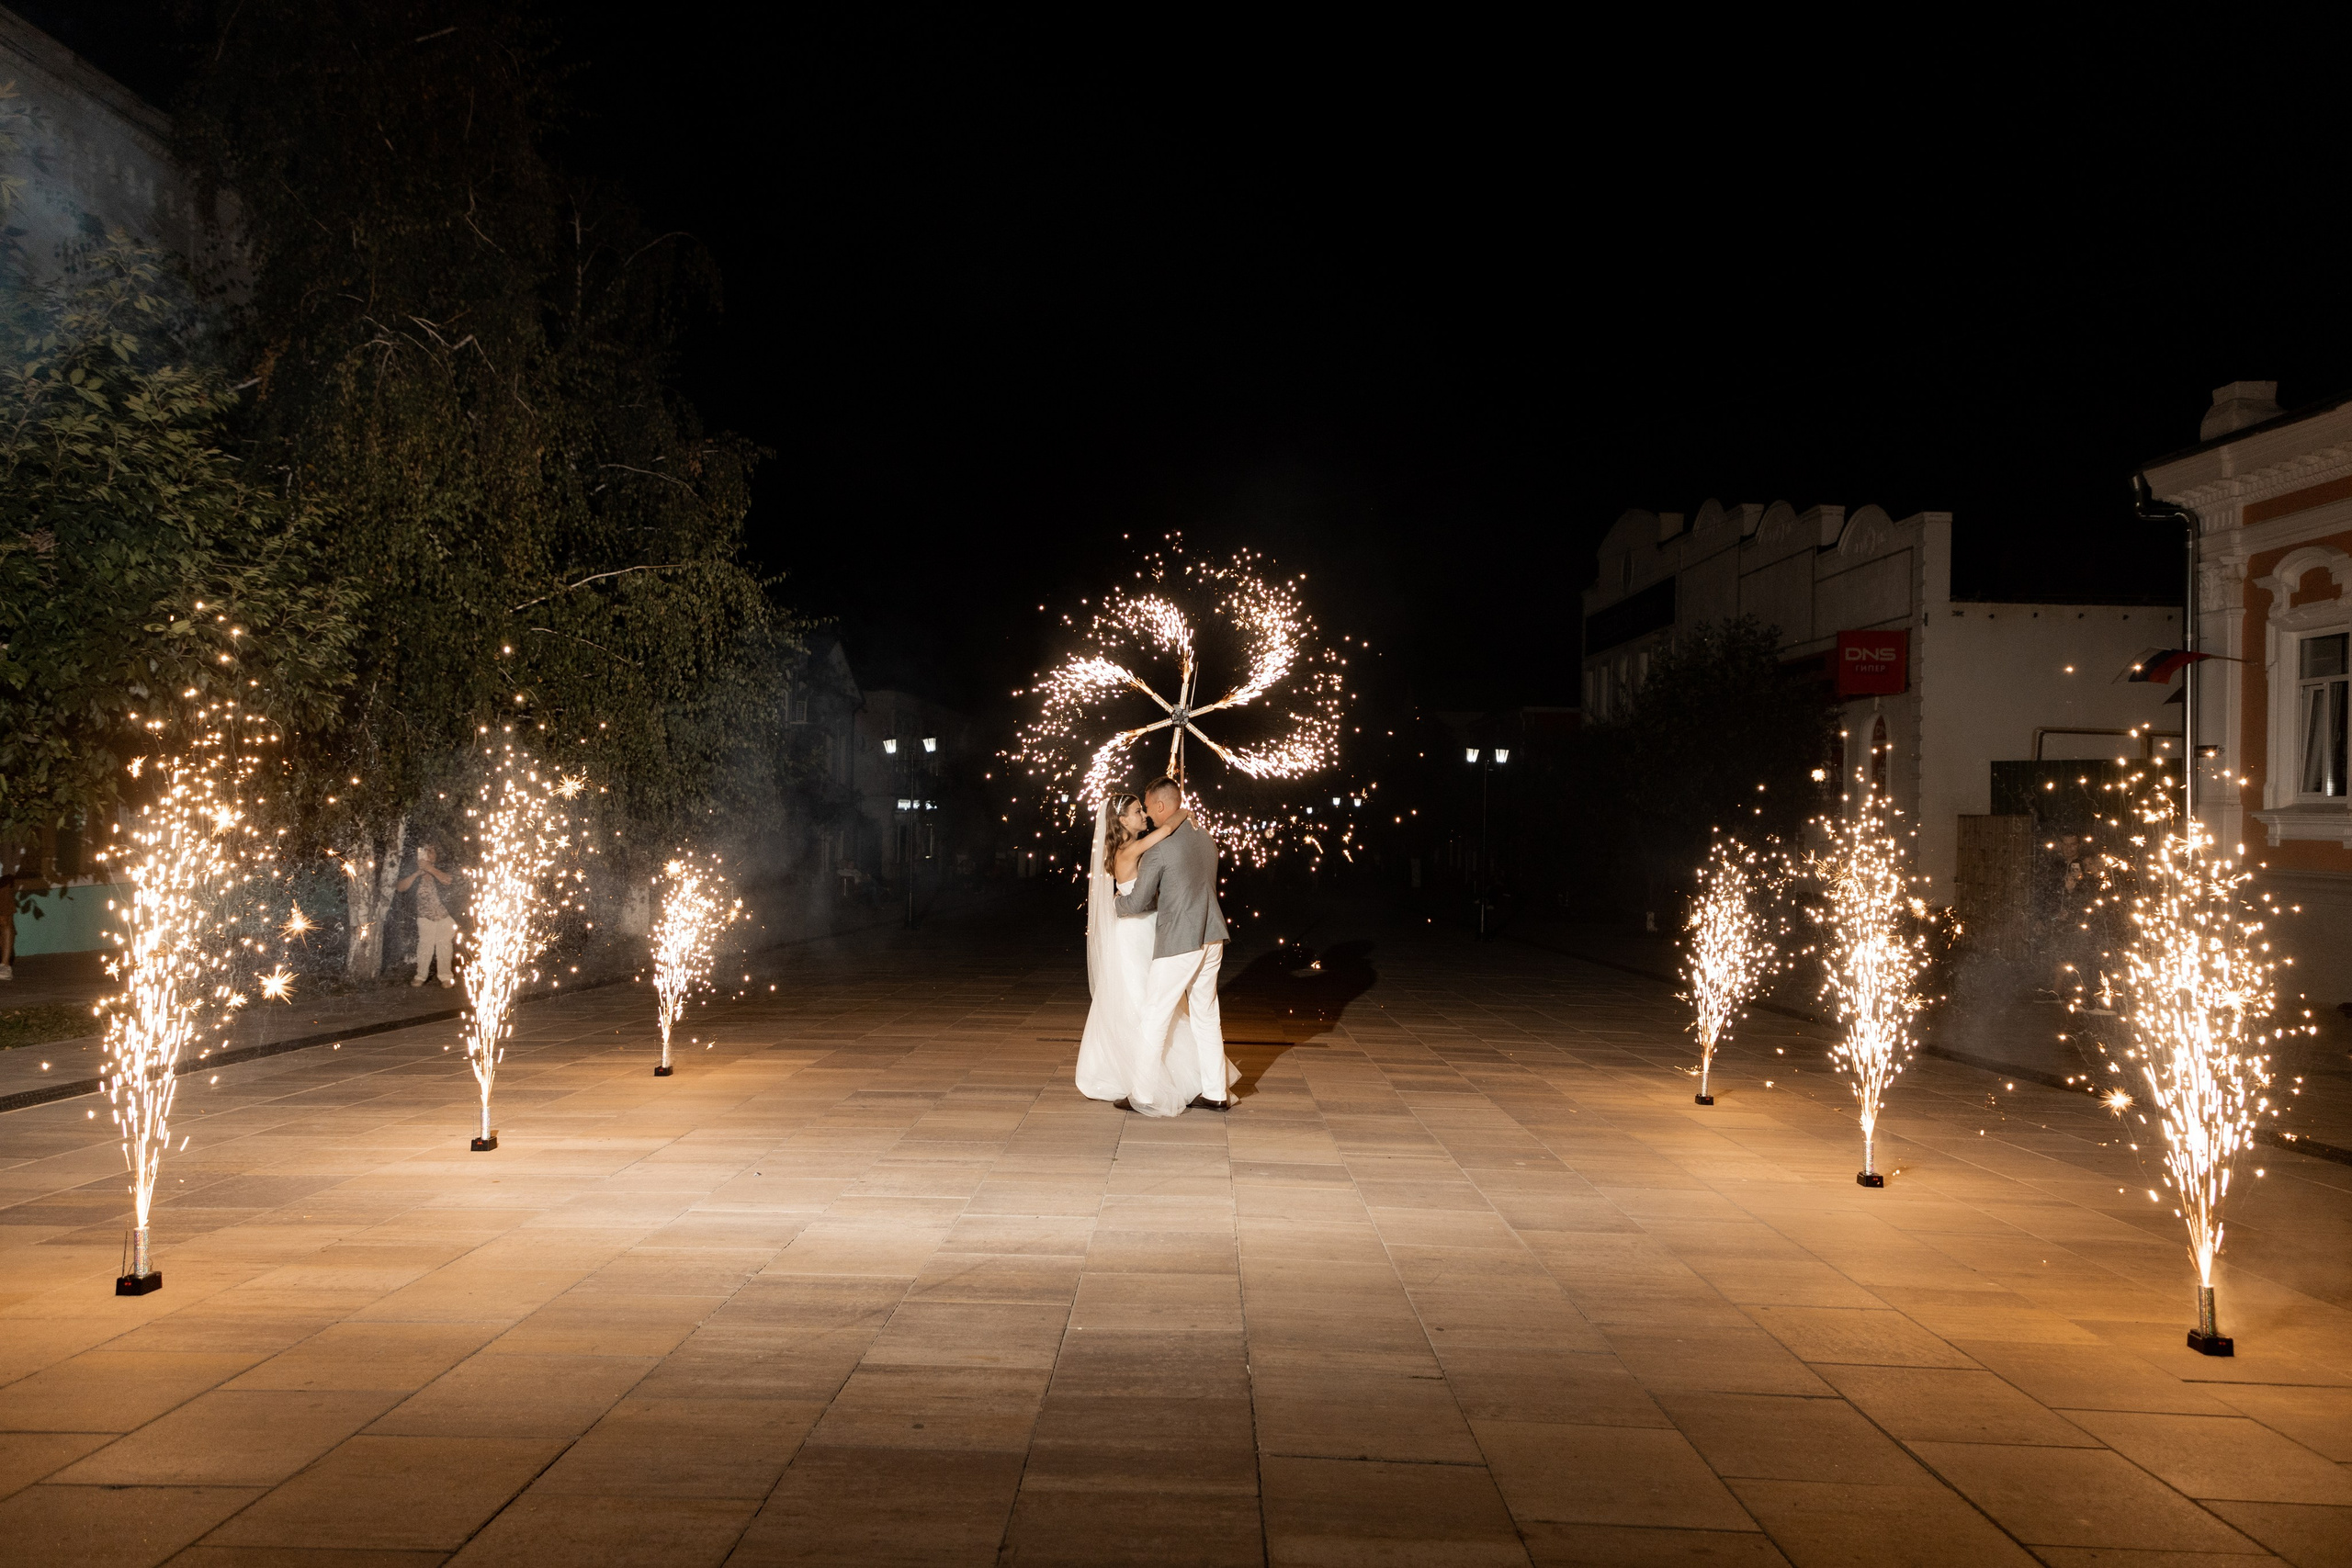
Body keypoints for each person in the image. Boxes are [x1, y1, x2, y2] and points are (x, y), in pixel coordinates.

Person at [1117, 775, 1239, 1111]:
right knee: (1206, 1016)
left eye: (1149, 808)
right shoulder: (1206, 837)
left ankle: (1142, 1095)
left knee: (1154, 1015)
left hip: (1180, 941)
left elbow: (1139, 901)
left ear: (1160, 804)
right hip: (1212, 934)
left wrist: (1114, 904)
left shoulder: (1159, 849)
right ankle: (1216, 1093)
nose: (1149, 816)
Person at [1075, 792, 1191, 1113]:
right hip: (1135, 930)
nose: (1144, 815)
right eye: (1138, 811)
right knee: (1143, 998)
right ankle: (1145, 1074)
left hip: (1142, 927)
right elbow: (1166, 831)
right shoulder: (1127, 850)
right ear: (1122, 821)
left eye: (1143, 809)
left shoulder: (1126, 849)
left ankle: (1148, 1068)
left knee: (1150, 997)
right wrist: (1182, 811)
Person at [398, 841, 458, 987]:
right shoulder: (413, 869)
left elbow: (447, 880)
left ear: (436, 855)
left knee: (444, 945)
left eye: (431, 851)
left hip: (445, 915)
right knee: (425, 945)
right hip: (425, 916)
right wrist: (417, 873)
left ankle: (446, 977)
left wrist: (430, 869)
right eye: (424, 851)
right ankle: (420, 976)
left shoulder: (443, 867)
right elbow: (400, 888)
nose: (427, 854)